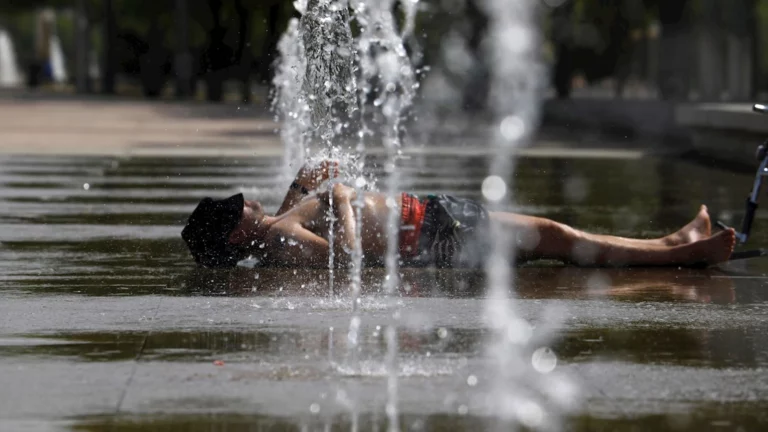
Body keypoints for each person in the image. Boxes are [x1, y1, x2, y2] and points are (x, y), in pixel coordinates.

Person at [181, 161, 736, 269]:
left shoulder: (274, 233)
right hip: (431, 231)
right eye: (240, 207)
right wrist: (344, 199)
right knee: (555, 237)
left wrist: (304, 181)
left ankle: (672, 244)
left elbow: (291, 220)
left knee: (553, 237)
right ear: (235, 229)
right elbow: (344, 260)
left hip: (428, 217)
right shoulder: (280, 240)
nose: (249, 202)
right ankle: (679, 250)